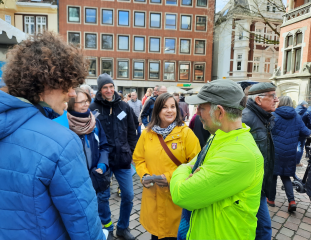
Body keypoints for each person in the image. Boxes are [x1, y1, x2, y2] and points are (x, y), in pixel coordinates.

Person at [0, 31, 106, 239]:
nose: (72, 93)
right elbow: (84, 225)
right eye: (67, 84)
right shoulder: (61, 142)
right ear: (46, 81)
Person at [170, 80, 264, 240]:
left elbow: (182, 194)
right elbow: (194, 164)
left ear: (220, 112)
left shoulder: (240, 153)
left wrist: (182, 168)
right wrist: (191, 169)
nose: (197, 113)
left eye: (201, 108)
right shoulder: (220, 137)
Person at [133, 93, 201, 240]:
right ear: (157, 110)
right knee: (156, 235)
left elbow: (196, 164)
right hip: (154, 199)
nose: (169, 110)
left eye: (172, 106)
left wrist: (169, 177)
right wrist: (144, 175)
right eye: (164, 107)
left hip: (176, 201)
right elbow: (138, 159)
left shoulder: (186, 134)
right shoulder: (147, 134)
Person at [89, 73, 137, 240]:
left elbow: (132, 131)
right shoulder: (93, 108)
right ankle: (108, 227)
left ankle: (122, 228)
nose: (109, 90)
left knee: (129, 195)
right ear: (100, 90)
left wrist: (130, 151)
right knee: (103, 196)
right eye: (105, 87)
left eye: (111, 87)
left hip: (123, 159)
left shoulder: (124, 107)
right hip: (103, 160)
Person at [242, 82, 279, 240]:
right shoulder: (247, 118)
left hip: (259, 183)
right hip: (251, 185)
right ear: (258, 100)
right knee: (264, 228)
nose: (276, 100)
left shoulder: (262, 116)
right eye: (272, 96)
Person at [267, 96, 310, 212]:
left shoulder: (273, 115)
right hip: (290, 152)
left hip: (275, 151)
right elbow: (306, 132)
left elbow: (268, 130)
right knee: (286, 176)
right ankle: (292, 201)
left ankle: (271, 200)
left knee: (273, 175)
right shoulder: (296, 116)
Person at [67, 88, 109, 189]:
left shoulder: (95, 122)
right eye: (82, 102)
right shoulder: (65, 124)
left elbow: (104, 146)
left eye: (87, 101)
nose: (86, 104)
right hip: (75, 181)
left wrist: (103, 164)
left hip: (96, 176)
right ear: (72, 103)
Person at [295, 100, 311, 166]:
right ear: (303, 105)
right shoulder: (307, 112)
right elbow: (310, 123)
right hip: (302, 131)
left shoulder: (294, 111)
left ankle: (292, 161)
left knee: (293, 147)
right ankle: (297, 162)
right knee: (300, 147)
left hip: (294, 132)